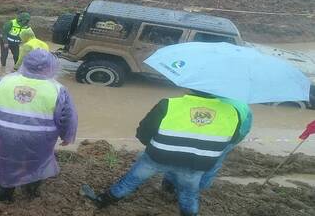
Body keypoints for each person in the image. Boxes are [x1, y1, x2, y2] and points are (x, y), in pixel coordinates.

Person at [82, 90, 245, 216]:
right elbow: (232, 140)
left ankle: (102, 201)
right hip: (196, 164)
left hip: (158, 156)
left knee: (131, 180)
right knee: (189, 192)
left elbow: (144, 131)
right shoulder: (232, 112)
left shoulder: (168, 104)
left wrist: (151, 145)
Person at [0, 49, 78, 203]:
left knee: (6, 161)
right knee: (37, 162)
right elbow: (67, 117)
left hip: (5, 134)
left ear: (25, 63)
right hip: (39, 137)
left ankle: (5, 195)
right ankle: (31, 191)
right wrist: (67, 136)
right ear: (50, 66)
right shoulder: (58, 89)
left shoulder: (2, 81)